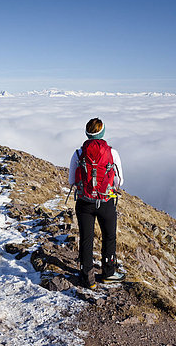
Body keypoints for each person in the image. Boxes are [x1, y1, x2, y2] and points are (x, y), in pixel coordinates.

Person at [68, 117, 125, 289]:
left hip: (84, 203)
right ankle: (108, 273)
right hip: (106, 201)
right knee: (109, 237)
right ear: (103, 132)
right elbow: (119, 182)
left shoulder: (78, 153)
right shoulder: (112, 153)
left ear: (86, 133)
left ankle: (88, 277)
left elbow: (72, 180)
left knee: (86, 239)